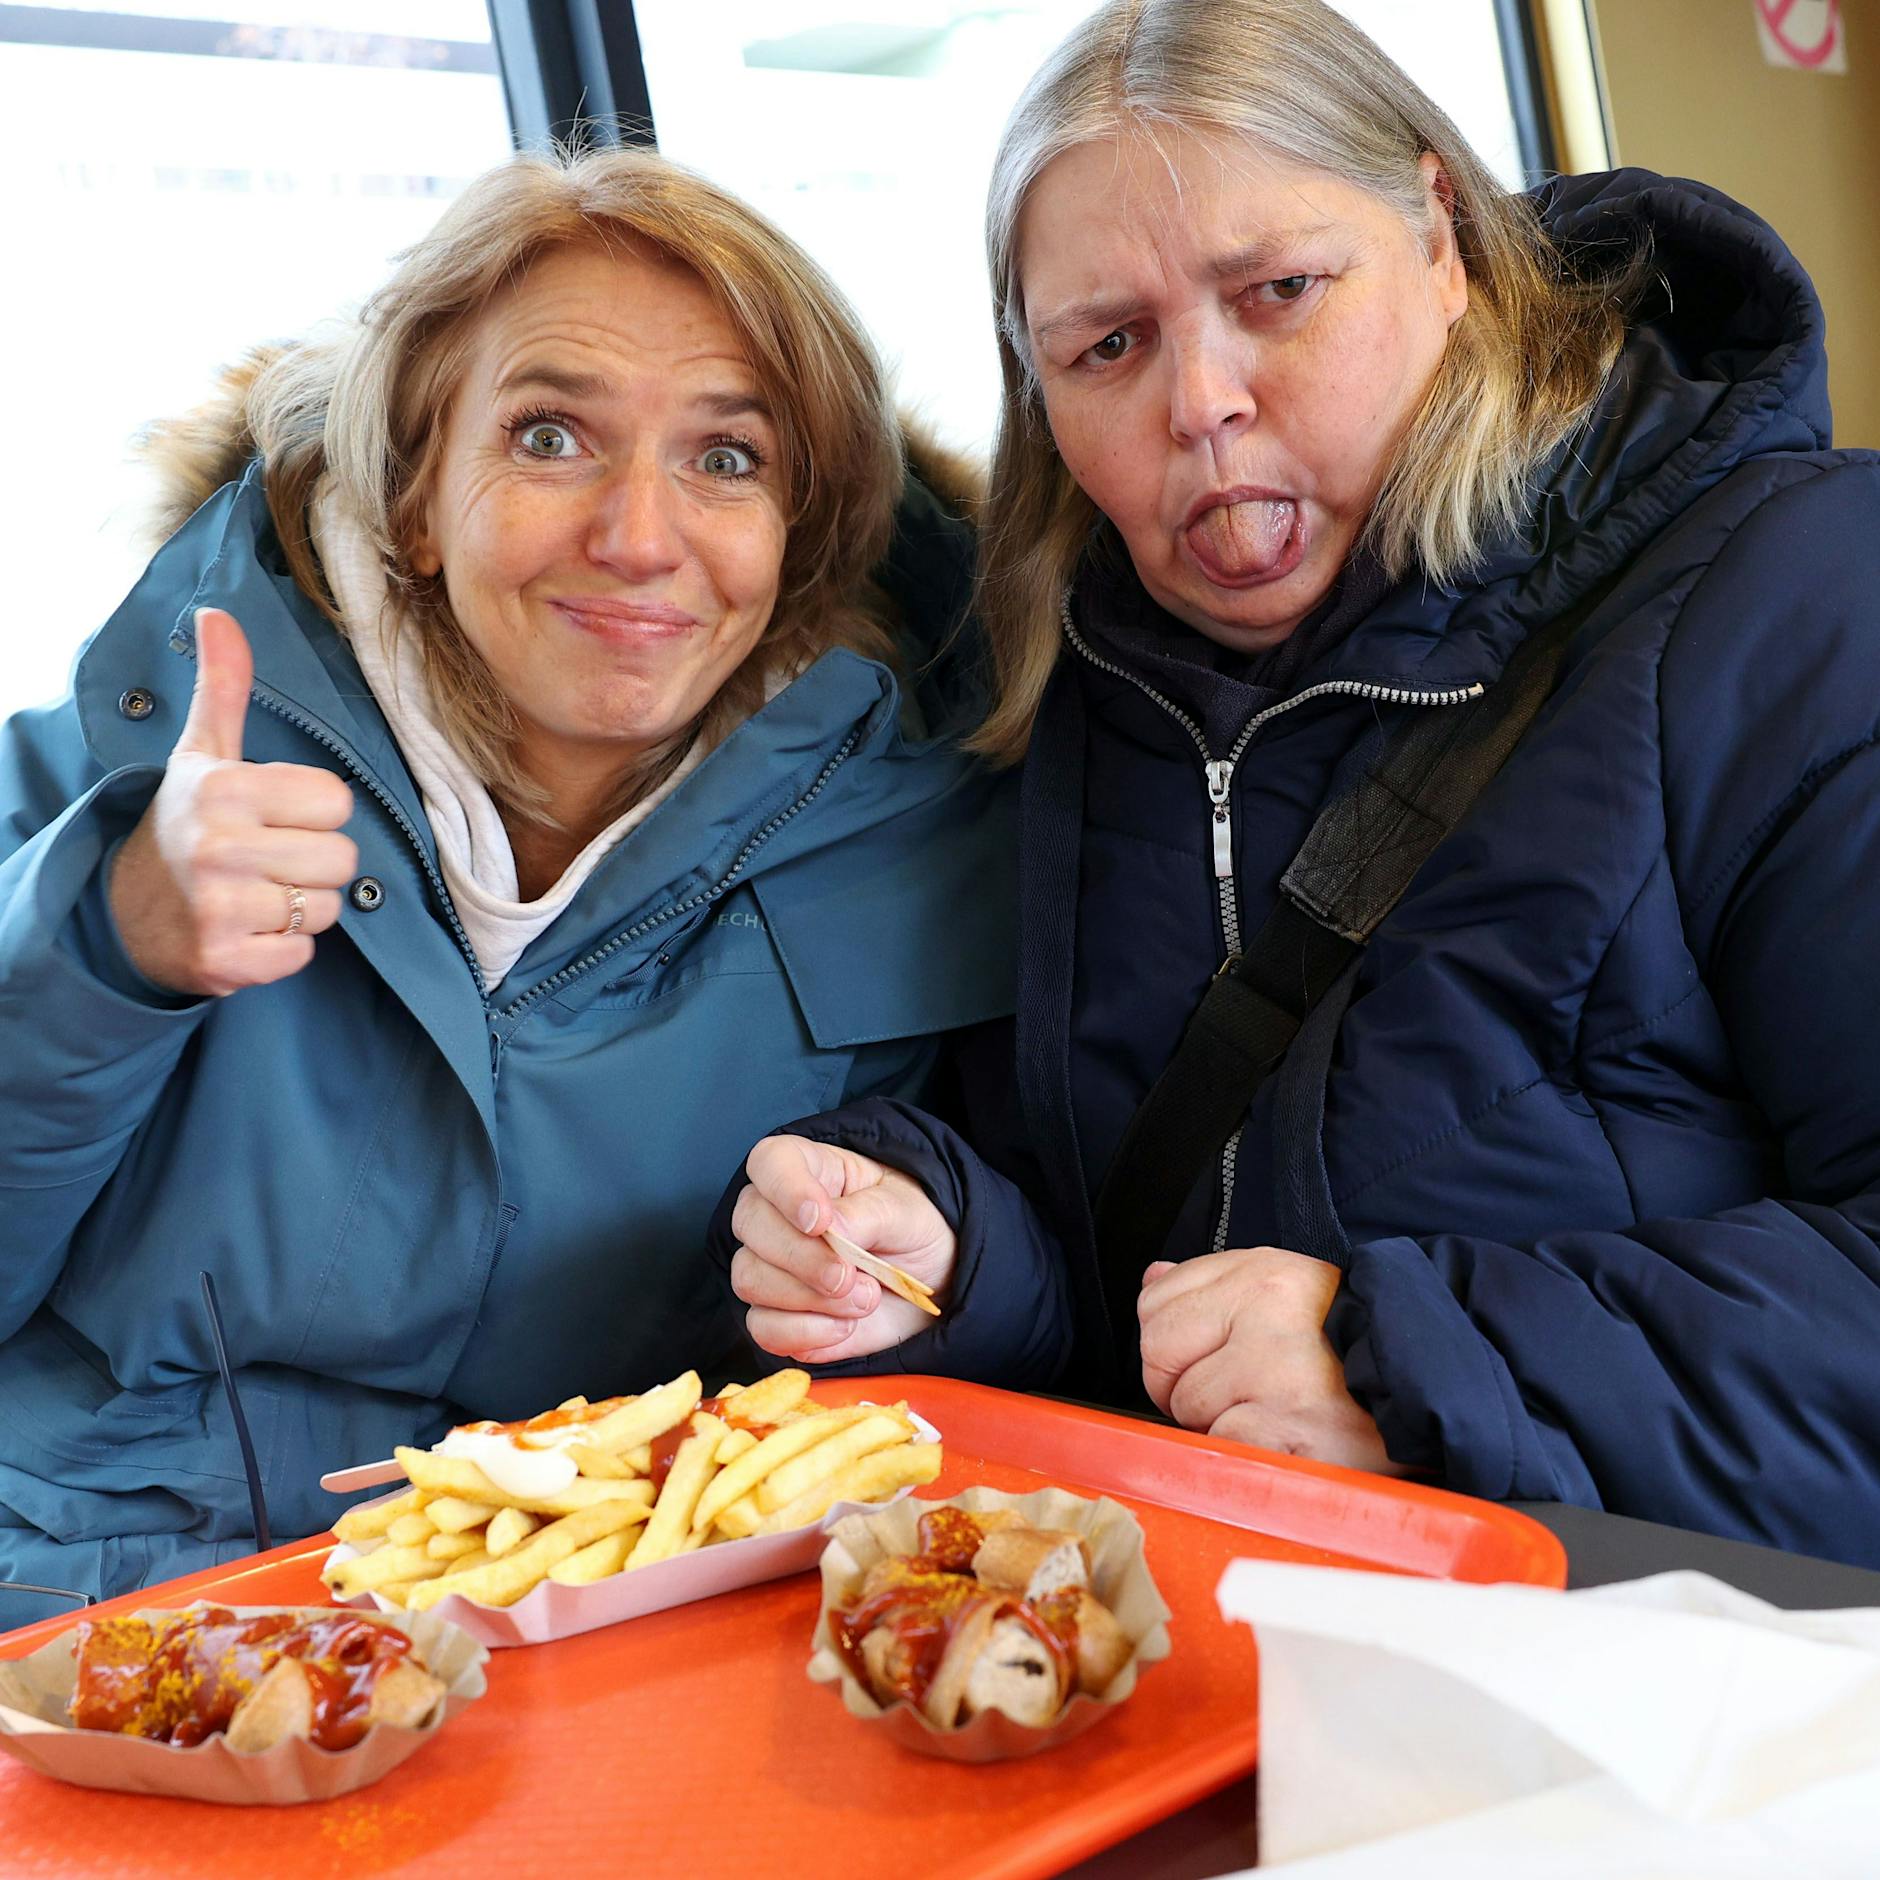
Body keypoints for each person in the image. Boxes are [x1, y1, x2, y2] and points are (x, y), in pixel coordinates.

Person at [720, 0, 1880, 1568]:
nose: (1199, 400)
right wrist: (940, 1248)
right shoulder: (1069, 695)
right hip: (1226, 1661)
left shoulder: (1810, 599)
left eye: (1278, 292)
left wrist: (1419, 1361)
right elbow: (1137, 1285)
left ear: (1444, 241)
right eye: (1109, 345)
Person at [0, 147, 1012, 1607]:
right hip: (98, 1607)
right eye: (550, 437)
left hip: (589, 1639)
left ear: (800, 537)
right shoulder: (111, 780)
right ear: (415, 493)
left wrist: (920, 1274)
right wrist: (101, 952)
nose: (639, 537)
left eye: (727, 459)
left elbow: (991, 1326)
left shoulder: (920, 848)